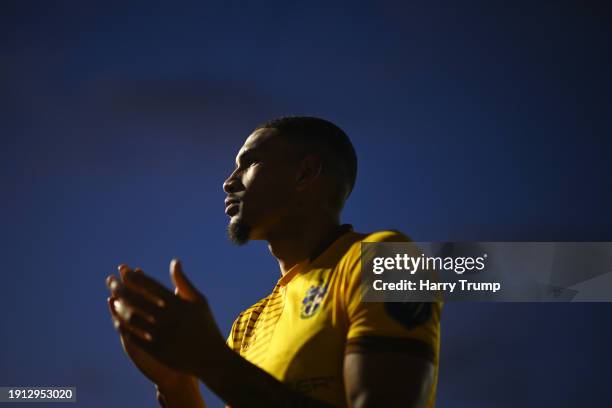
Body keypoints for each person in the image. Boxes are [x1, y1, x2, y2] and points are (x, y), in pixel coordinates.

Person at [106, 116, 441, 407]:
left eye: (249, 163)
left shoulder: (391, 260)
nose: (229, 181)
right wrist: (177, 383)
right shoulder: (247, 325)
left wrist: (210, 360)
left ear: (305, 173)